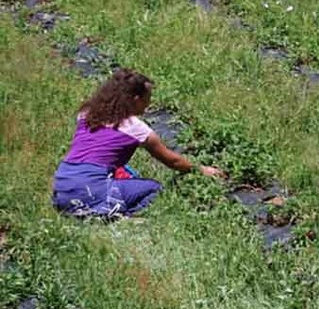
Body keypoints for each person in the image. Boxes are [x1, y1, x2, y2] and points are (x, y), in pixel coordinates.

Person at [52, 68, 223, 218]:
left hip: (62, 185)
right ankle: (112, 214)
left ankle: (80, 208)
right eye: (147, 98)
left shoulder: (86, 114)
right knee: (154, 189)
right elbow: (172, 161)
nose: (149, 103)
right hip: (90, 188)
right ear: (135, 99)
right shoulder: (135, 128)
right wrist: (200, 170)